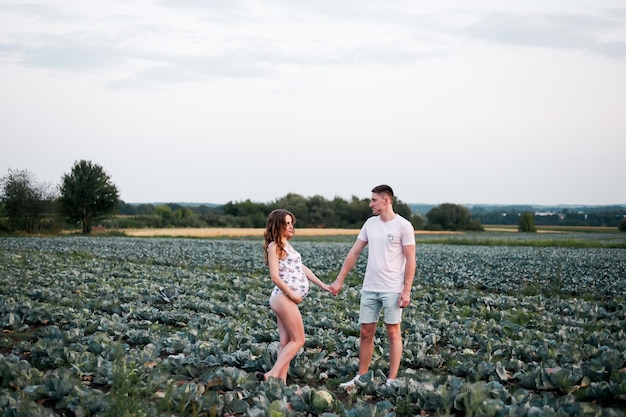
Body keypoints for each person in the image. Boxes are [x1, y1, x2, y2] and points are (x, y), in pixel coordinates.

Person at [330, 184, 416, 388]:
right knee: (366, 333)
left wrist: (406, 290)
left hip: (392, 289)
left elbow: (411, 259)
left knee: (393, 332)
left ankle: (392, 380)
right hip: (369, 287)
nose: (370, 204)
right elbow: (354, 252)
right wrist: (339, 279)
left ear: (386, 200)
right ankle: (362, 377)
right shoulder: (370, 223)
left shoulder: (404, 226)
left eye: (374, 200)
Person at [263, 208, 332, 383]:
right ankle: (272, 373)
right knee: (299, 340)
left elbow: (301, 268)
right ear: (277, 226)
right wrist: (291, 294)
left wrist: (323, 285)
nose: (291, 227)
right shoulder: (274, 246)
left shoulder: (287, 245)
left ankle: (280, 382)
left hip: (285, 298)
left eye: (291, 223)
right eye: (286, 224)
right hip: (283, 298)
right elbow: (274, 276)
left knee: (286, 343)